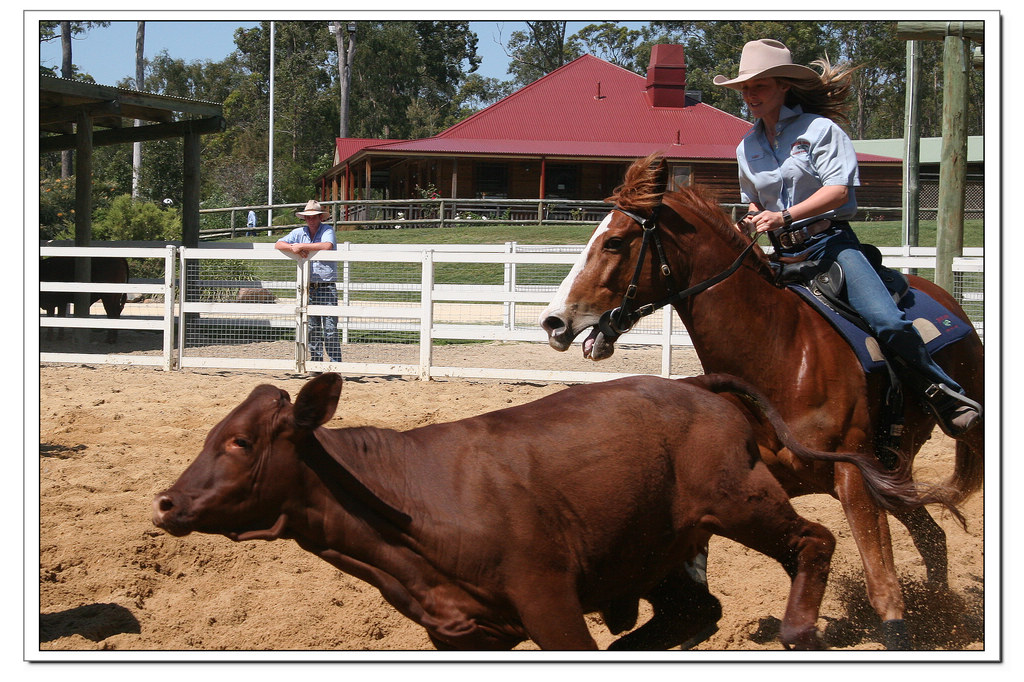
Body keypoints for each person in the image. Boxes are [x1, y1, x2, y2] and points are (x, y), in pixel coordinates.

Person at [714, 38, 980, 437]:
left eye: (760, 86)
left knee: (886, 320)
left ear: (784, 85)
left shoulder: (820, 130)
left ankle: (944, 392)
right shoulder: (745, 146)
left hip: (831, 246)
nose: (750, 95)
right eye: (745, 88)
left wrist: (783, 215)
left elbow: (838, 190)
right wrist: (749, 223)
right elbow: (754, 203)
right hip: (782, 255)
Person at [275, 200, 343, 365]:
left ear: (320, 217)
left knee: (330, 329)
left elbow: (327, 246)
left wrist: (302, 246)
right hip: (308, 287)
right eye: (308, 217)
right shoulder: (299, 232)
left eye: (314, 217)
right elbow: (278, 243)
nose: (311, 220)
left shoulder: (327, 230)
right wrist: (292, 248)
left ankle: (335, 365)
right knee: (312, 328)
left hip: (326, 286)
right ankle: (316, 363)